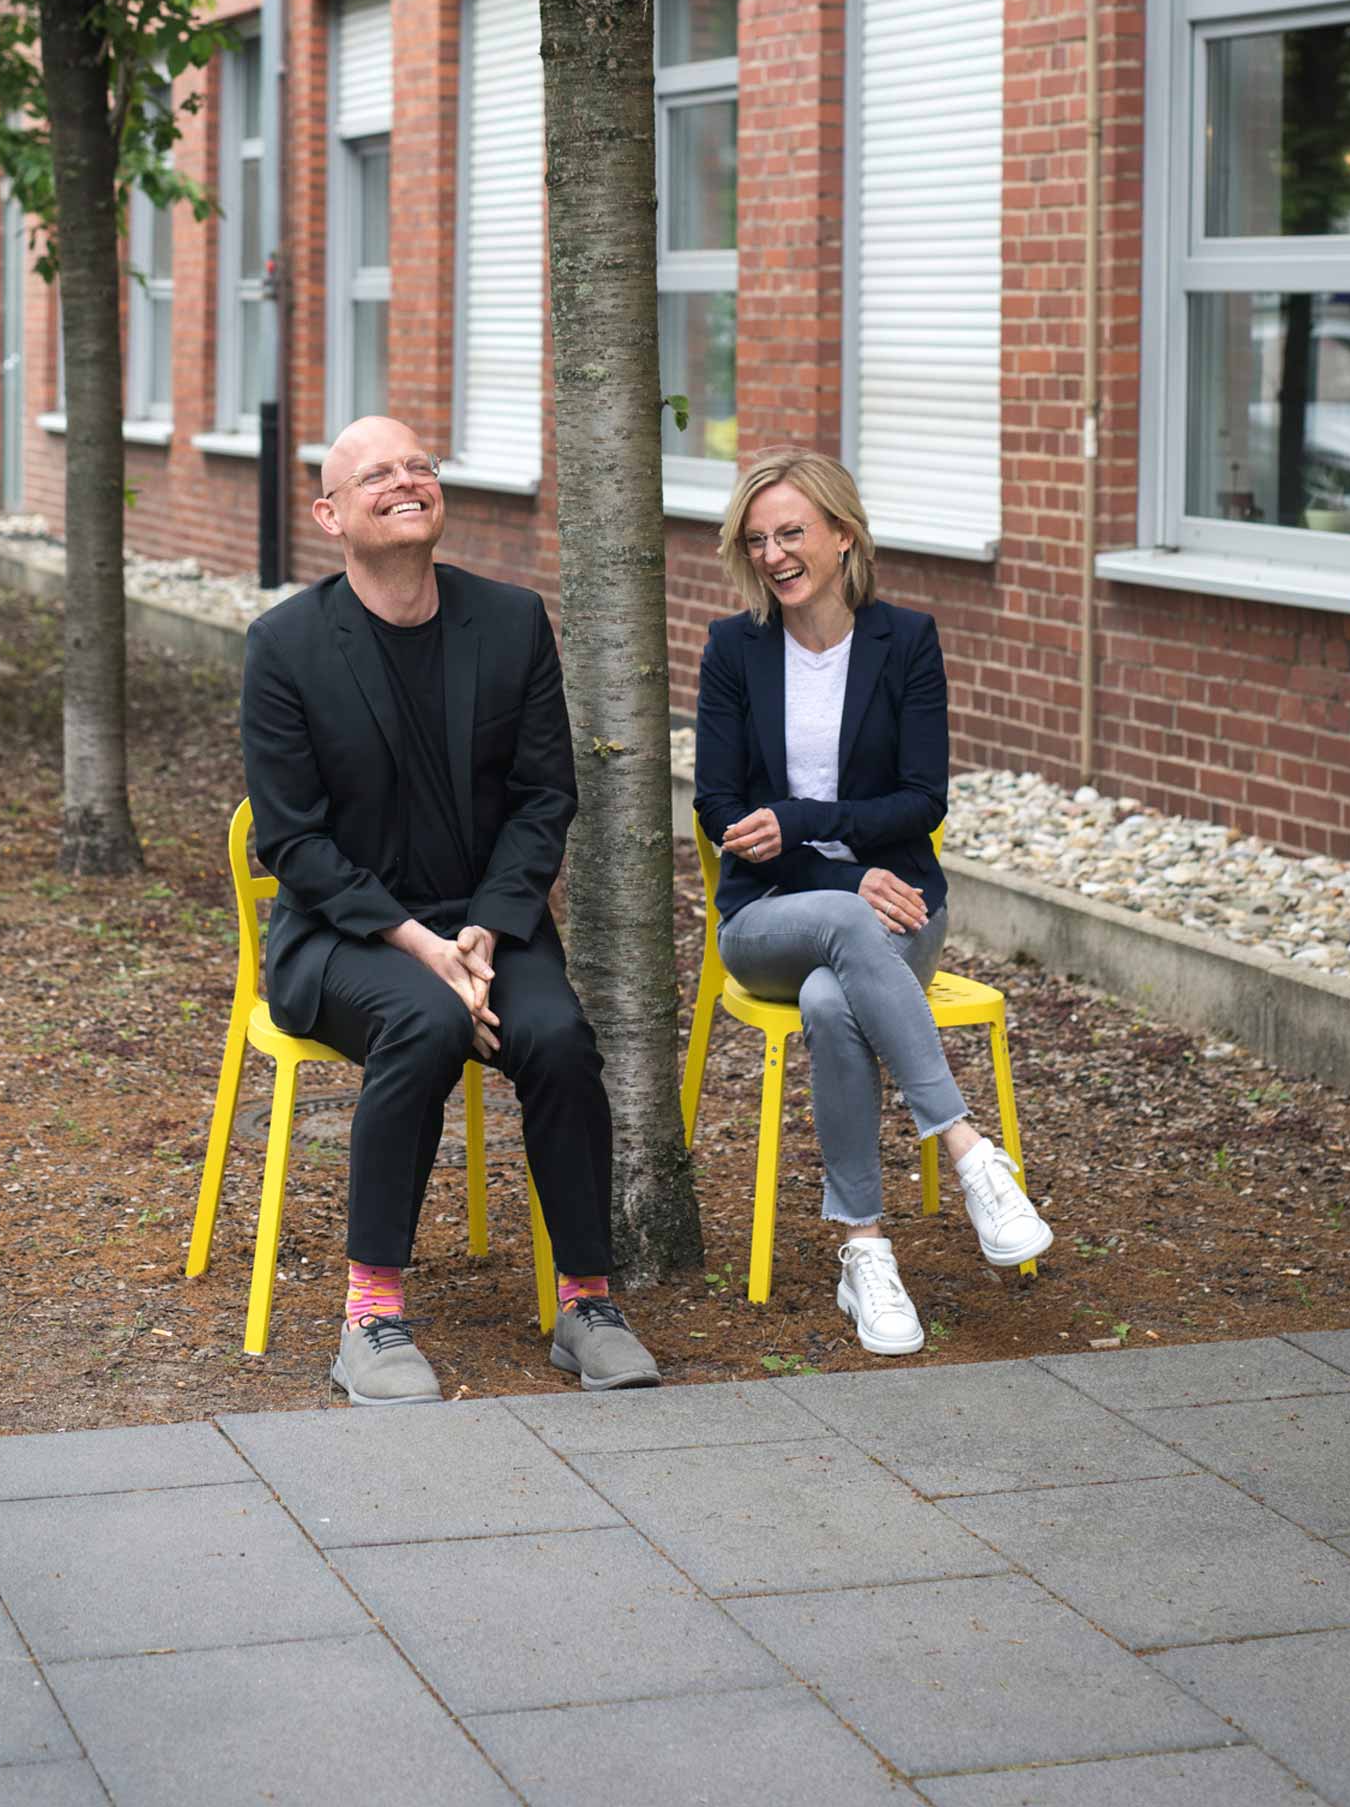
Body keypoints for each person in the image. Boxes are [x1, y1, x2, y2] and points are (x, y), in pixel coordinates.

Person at [239, 415, 662, 1404]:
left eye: (418, 465)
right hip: (342, 934)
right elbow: (291, 841)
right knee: (423, 1021)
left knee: (555, 1035)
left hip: (483, 922)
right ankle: (370, 1317)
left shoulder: (511, 621)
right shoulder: (285, 646)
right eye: (374, 473)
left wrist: (483, 927)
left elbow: (543, 795)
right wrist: (416, 944)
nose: (404, 480)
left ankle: (587, 1303)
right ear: (330, 514)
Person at [694, 449, 1053, 1356]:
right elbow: (719, 807)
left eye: (793, 533)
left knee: (830, 999)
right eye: (758, 538)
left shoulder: (908, 640)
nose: (775, 554)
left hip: (902, 914)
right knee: (840, 931)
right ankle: (972, 1155)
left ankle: (864, 1253)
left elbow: (923, 799)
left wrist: (808, 818)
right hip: (768, 918)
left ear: (843, 535)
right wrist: (840, 874)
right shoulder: (734, 649)